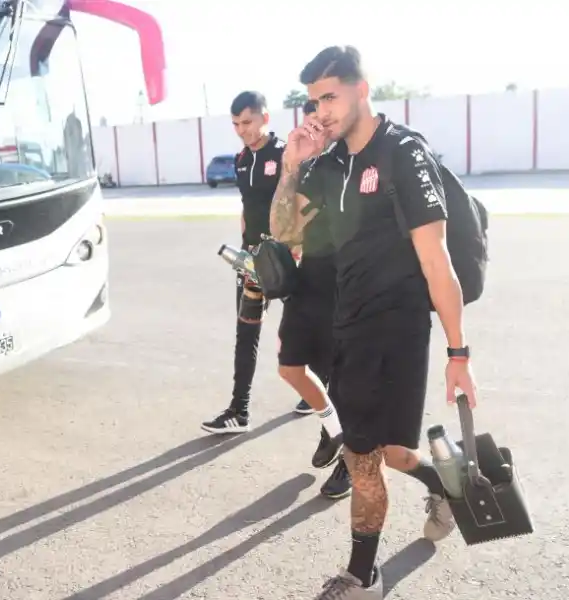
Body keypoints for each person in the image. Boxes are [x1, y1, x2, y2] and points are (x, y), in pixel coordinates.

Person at [270, 46, 480, 599]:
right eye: (314, 101)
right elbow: (286, 232)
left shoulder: (402, 153)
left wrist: (459, 355)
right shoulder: (329, 162)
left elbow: (438, 260)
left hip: (396, 328)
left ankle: (362, 575)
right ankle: (444, 486)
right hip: (348, 324)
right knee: (384, 451)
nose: (322, 111)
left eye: (331, 97)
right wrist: (291, 167)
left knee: (361, 455)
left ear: (363, 90)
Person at [273, 100, 351, 499]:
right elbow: (285, 233)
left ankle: (349, 460)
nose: (315, 129)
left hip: (349, 284)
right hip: (311, 280)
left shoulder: (351, 161)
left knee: (343, 379)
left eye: (323, 122)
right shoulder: (311, 168)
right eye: (310, 123)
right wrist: (290, 163)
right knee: (291, 367)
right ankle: (333, 428)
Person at [201, 91, 286, 435]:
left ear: (265, 117)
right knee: (246, 332)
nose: (241, 130)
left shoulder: (284, 155)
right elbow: (246, 209)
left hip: (288, 259)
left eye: (247, 122)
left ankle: (321, 402)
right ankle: (240, 410)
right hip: (252, 262)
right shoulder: (240, 160)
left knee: (304, 336)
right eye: (236, 124)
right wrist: (245, 250)